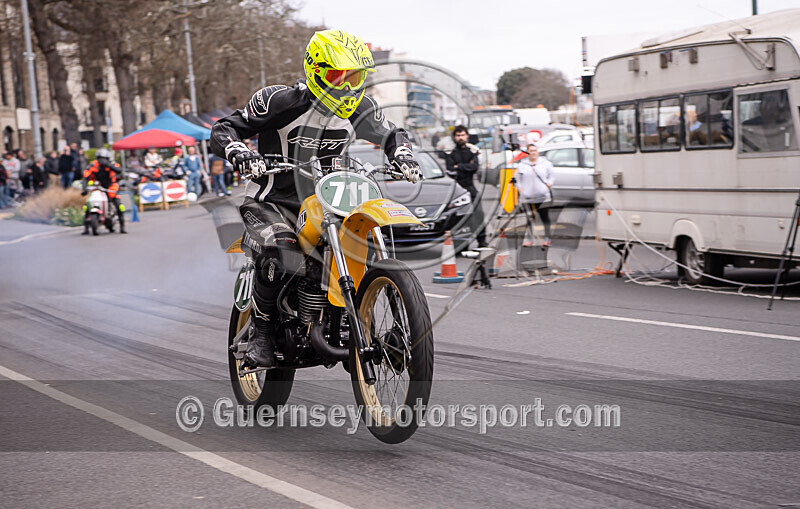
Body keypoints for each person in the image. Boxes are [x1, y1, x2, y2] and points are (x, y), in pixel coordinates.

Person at [210, 28, 421, 368]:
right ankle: (262, 334)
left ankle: (363, 322)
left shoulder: (361, 107)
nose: (350, 85)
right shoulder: (279, 101)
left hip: (330, 201)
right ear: (317, 71)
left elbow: (392, 133)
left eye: (357, 76)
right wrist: (240, 152)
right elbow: (225, 128)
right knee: (282, 248)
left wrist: (403, 156)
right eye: (341, 76)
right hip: (272, 200)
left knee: (361, 237)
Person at [444, 125, 487, 248]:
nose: (460, 138)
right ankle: (461, 243)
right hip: (456, 189)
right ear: (454, 137)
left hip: (470, 186)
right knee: (458, 216)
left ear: (467, 136)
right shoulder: (449, 151)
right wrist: (465, 166)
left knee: (478, 214)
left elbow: (474, 168)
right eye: (458, 136)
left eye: (462, 135)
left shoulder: (472, 150)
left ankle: (482, 241)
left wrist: (460, 166)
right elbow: (451, 170)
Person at [515, 144, 554, 246]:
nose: (533, 153)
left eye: (535, 150)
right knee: (529, 219)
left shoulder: (545, 164)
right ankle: (529, 239)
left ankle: (547, 238)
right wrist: (520, 189)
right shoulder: (522, 165)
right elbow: (517, 179)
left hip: (542, 197)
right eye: (531, 151)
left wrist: (548, 185)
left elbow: (551, 176)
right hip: (527, 198)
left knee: (544, 217)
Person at [82, 148, 126, 234]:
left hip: (110, 186)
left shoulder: (112, 164)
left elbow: (119, 170)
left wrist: (108, 165)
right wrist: (84, 189)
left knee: (118, 204)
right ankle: (86, 228)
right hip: (97, 186)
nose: (101, 161)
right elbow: (85, 177)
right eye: (100, 158)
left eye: (103, 158)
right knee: (87, 204)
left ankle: (122, 226)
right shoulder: (93, 165)